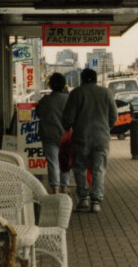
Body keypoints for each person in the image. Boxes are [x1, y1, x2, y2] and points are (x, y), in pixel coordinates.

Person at [61, 67, 117, 213]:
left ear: (82, 79)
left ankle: (83, 198)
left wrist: (68, 127)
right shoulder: (106, 93)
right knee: (98, 169)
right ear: (96, 79)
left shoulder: (76, 93)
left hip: (81, 137)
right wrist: (106, 127)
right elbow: (114, 116)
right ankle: (96, 201)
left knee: (80, 168)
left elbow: (68, 118)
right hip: (101, 137)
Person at [36, 72, 70, 195]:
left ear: (50, 86)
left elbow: (38, 113)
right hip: (65, 136)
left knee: (53, 163)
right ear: (63, 85)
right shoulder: (68, 100)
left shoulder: (45, 101)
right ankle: (64, 188)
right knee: (65, 163)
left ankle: (55, 189)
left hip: (49, 135)